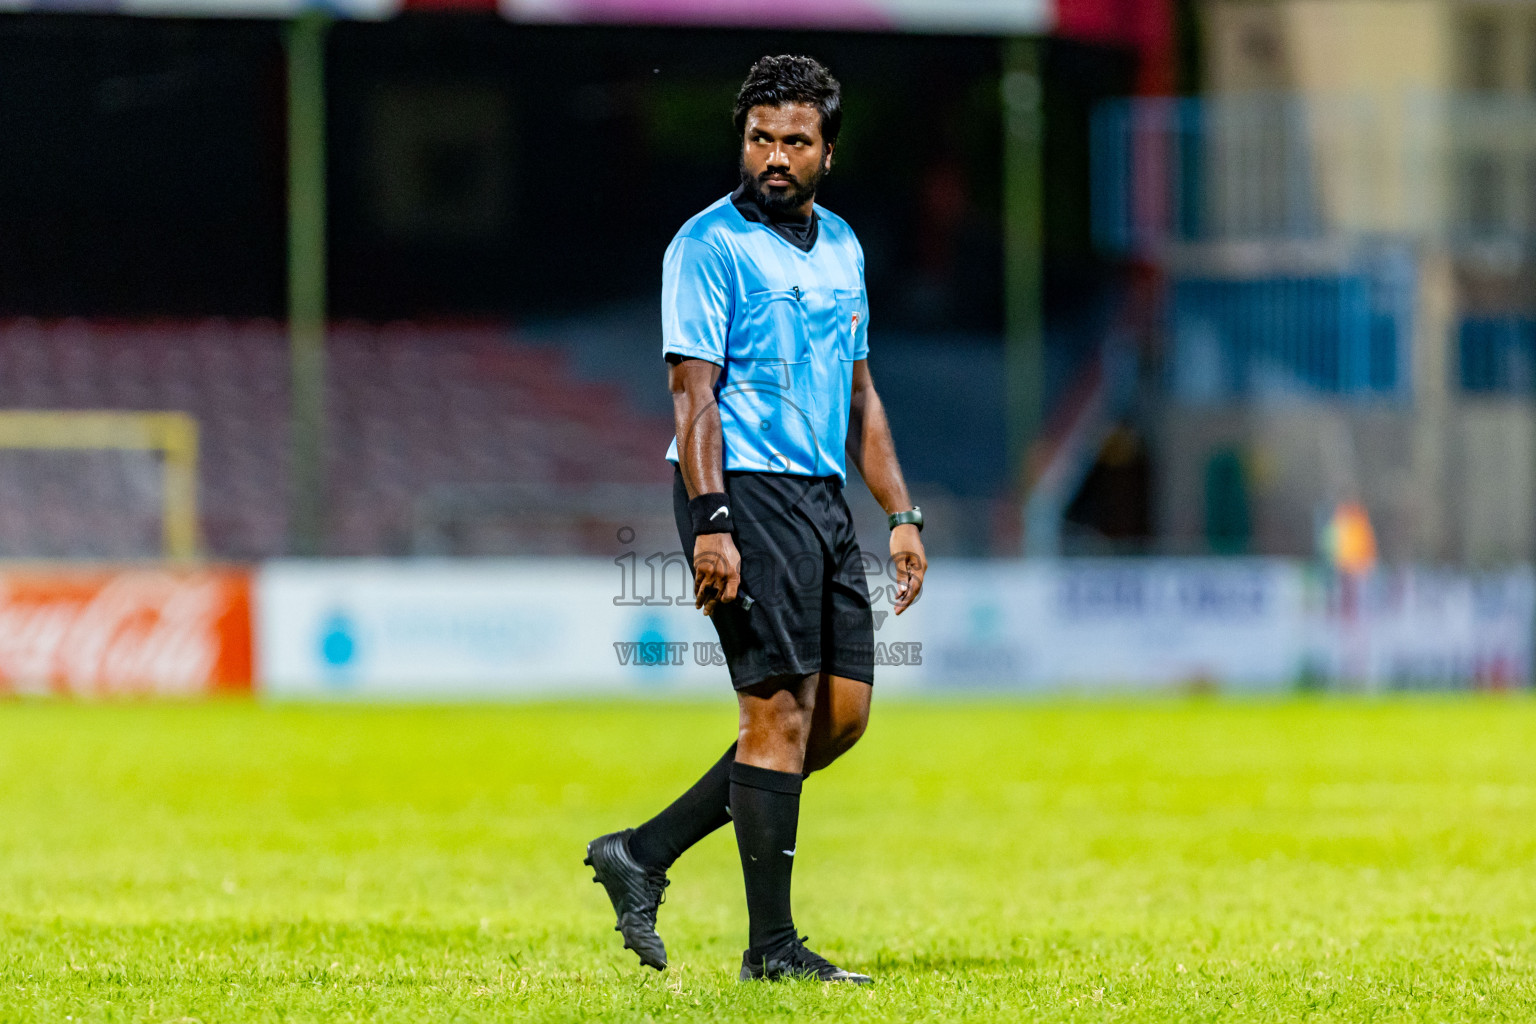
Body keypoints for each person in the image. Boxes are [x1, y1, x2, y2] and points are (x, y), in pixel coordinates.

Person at [585, 54, 927, 985]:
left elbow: (860, 395)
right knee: (774, 713)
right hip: (740, 486)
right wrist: (711, 521)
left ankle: (643, 852)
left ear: (828, 152)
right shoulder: (707, 245)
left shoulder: (847, 248)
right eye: (760, 138)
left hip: (819, 496)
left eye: (795, 141)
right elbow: (692, 393)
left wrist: (901, 512)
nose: (775, 156)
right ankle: (771, 950)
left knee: (841, 718)